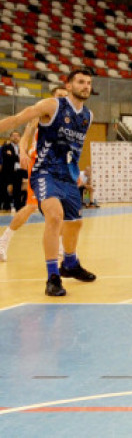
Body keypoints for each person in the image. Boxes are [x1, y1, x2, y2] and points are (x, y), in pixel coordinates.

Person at [0, 70, 97, 296]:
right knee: (54, 216)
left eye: (89, 83)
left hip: (68, 176)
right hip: (45, 172)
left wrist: (79, 174)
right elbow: (18, 120)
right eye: (81, 82)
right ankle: (53, 276)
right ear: (69, 85)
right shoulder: (51, 106)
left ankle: (70, 264)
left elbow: (73, 148)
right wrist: (23, 150)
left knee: (75, 224)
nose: (86, 86)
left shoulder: (88, 116)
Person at [0, 86, 68, 262]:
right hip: (39, 164)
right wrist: (22, 151)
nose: (62, 98)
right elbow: (27, 134)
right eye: (59, 95)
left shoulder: (70, 119)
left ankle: (60, 247)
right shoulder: (43, 115)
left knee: (61, 208)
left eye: (65, 96)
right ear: (53, 97)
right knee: (31, 206)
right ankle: (3, 241)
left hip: (58, 167)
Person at [0, 131, 23, 212]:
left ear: (20, 137)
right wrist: (18, 158)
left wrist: (13, 156)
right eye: (13, 136)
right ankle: (7, 205)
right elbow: (7, 158)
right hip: (7, 171)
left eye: (17, 136)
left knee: (18, 190)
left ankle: (18, 207)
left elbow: (25, 158)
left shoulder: (23, 147)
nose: (15, 137)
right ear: (10, 137)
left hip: (19, 171)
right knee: (3, 188)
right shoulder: (6, 147)